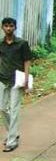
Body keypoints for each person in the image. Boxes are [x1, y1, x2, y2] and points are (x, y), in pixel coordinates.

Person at [0, 18, 32, 152]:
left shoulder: (22, 43)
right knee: (2, 108)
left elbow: (27, 61)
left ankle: (12, 141)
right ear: (2, 27)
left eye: (11, 26)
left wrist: (26, 80)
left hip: (17, 81)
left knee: (14, 110)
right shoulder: (0, 44)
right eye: (6, 26)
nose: (8, 28)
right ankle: (12, 132)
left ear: (15, 28)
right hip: (2, 78)